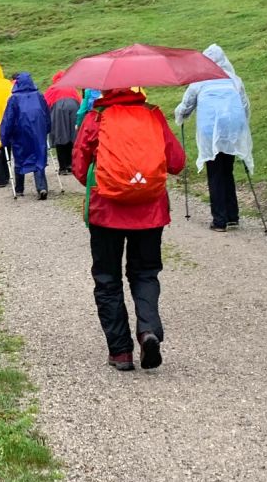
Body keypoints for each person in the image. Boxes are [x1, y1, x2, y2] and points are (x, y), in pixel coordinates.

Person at [74, 87, 187, 371]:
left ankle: (121, 352)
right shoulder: (153, 114)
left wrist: (107, 179)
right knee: (145, 273)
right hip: (150, 211)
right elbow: (177, 163)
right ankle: (148, 331)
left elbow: (79, 167)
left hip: (106, 213)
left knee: (107, 278)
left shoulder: (95, 117)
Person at [173, 44, 253, 231]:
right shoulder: (234, 80)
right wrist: (242, 126)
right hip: (232, 130)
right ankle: (232, 215)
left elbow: (186, 105)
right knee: (227, 170)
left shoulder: (199, 81)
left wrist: (181, 116)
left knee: (215, 172)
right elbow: (244, 105)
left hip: (210, 131)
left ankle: (219, 220)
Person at [0, 72, 52, 199]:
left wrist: (4, 137)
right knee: (39, 157)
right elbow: (46, 114)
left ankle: (19, 189)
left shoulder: (14, 99)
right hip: (38, 132)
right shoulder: (39, 96)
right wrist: (47, 129)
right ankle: (42, 187)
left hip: (20, 133)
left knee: (20, 157)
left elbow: (8, 120)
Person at [45, 75, 83, 176]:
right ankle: (70, 165)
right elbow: (79, 100)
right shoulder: (71, 87)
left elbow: (45, 103)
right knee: (72, 136)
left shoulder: (53, 88)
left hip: (59, 108)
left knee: (60, 135)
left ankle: (62, 167)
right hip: (74, 106)